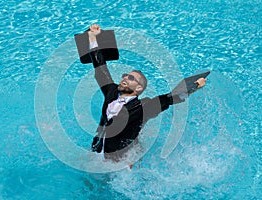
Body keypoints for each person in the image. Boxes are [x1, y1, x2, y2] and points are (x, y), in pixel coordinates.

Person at [86, 24, 206, 161]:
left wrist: (194, 87)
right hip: (98, 150)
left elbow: (168, 99)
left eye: (131, 78)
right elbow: (101, 69)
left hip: (120, 161)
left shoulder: (142, 107)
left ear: (139, 89)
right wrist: (92, 38)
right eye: (125, 75)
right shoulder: (111, 92)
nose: (125, 78)